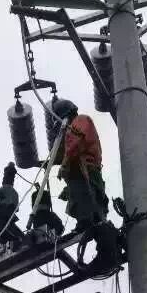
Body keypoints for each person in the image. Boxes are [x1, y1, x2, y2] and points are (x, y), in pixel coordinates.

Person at [53, 98, 109, 232]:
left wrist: (64, 165)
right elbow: (68, 150)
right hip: (82, 172)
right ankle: (89, 222)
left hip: (85, 170)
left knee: (82, 195)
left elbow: (76, 142)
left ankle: (86, 222)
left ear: (65, 116)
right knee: (81, 196)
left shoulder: (80, 120)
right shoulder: (74, 127)